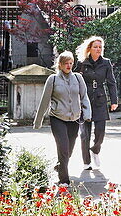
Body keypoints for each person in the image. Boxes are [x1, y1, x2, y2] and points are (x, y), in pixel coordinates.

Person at [33, 51, 91, 186]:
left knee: (69, 150)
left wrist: (87, 114)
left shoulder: (78, 78)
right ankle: (64, 179)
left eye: (71, 63)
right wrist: (38, 121)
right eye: (66, 63)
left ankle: (60, 165)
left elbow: (84, 97)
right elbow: (44, 101)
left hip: (74, 119)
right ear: (60, 64)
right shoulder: (53, 79)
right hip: (57, 118)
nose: (69, 66)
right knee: (63, 148)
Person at [74, 35, 118, 171]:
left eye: (100, 47)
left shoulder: (106, 63)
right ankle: (86, 162)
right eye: (95, 47)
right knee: (84, 134)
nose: (98, 49)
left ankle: (95, 150)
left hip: (99, 99)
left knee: (100, 132)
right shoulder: (81, 63)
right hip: (84, 99)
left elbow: (111, 83)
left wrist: (114, 100)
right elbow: (74, 80)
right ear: (90, 49)